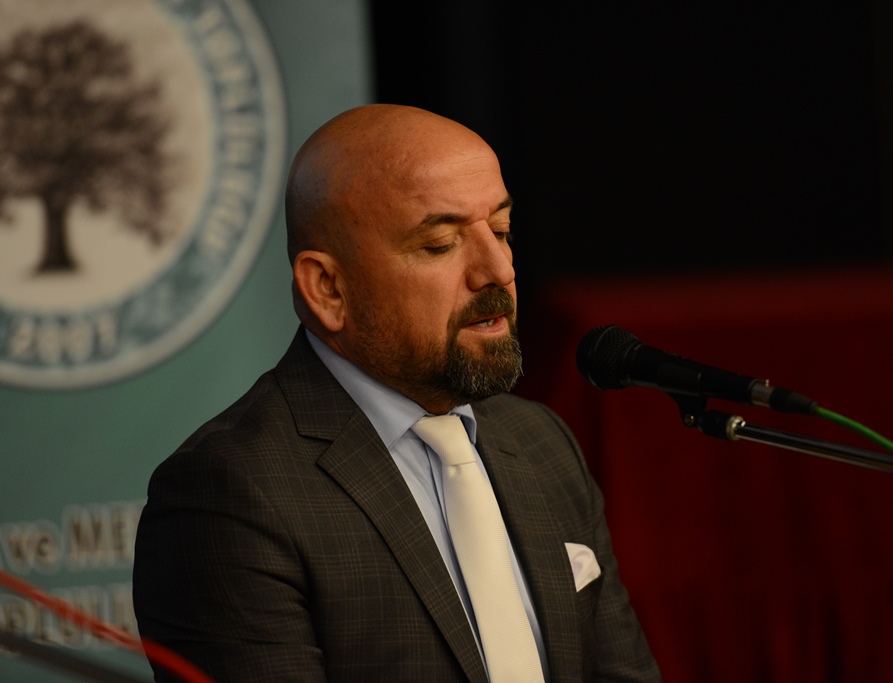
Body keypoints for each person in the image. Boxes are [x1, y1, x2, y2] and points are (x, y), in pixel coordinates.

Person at [132, 104, 661, 682]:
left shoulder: (541, 442)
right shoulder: (230, 491)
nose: (498, 270)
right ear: (328, 289)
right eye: (440, 244)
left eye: (501, 231)